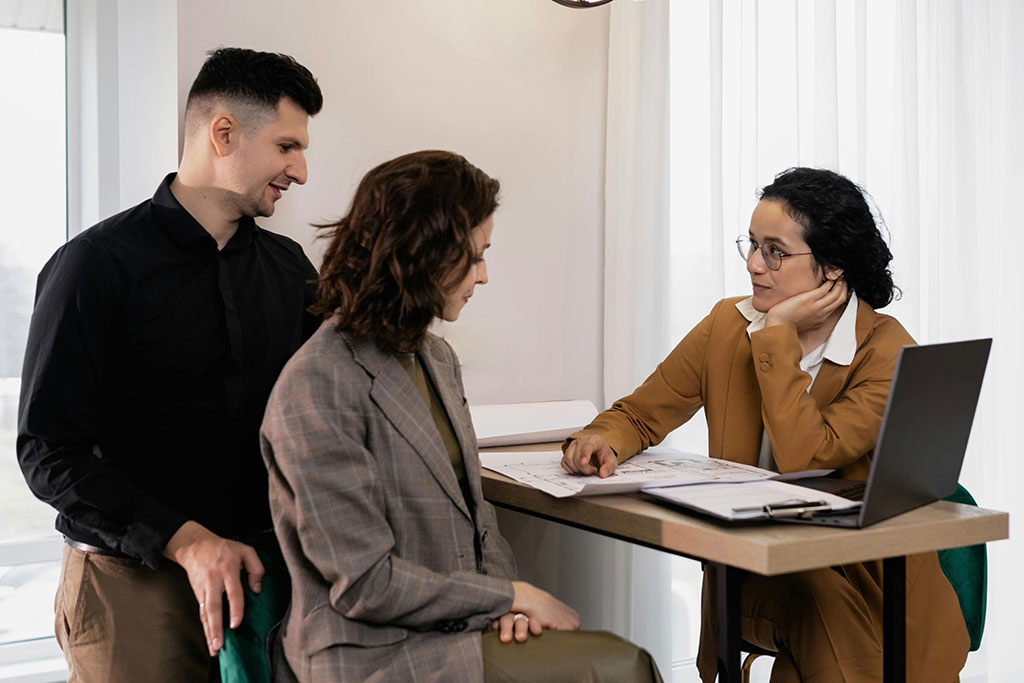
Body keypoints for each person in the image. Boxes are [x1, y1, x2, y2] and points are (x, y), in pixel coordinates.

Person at [260, 150, 662, 682]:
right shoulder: (318, 382)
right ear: (421, 256)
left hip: (454, 629)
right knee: (620, 666)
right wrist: (506, 596)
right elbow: (363, 584)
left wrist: (505, 611)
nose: (485, 275)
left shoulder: (435, 357)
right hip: (368, 653)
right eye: (474, 257)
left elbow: (479, 522)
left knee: (613, 658)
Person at [560, 167, 969, 682]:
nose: (755, 265)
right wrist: (602, 439)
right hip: (759, 571)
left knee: (811, 642)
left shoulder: (886, 350)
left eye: (776, 250)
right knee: (813, 606)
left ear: (833, 265)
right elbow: (642, 413)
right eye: (752, 245)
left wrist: (776, 334)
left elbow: (809, 456)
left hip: (871, 582)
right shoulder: (726, 326)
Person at [17, 47, 323, 682]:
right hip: (132, 588)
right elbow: (48, 453)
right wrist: (185, 539)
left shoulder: (291, 270)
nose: (300, 170)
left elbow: (329, 410)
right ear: (223, 133)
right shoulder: (93, 268)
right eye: (287, 146)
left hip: (266, 584)